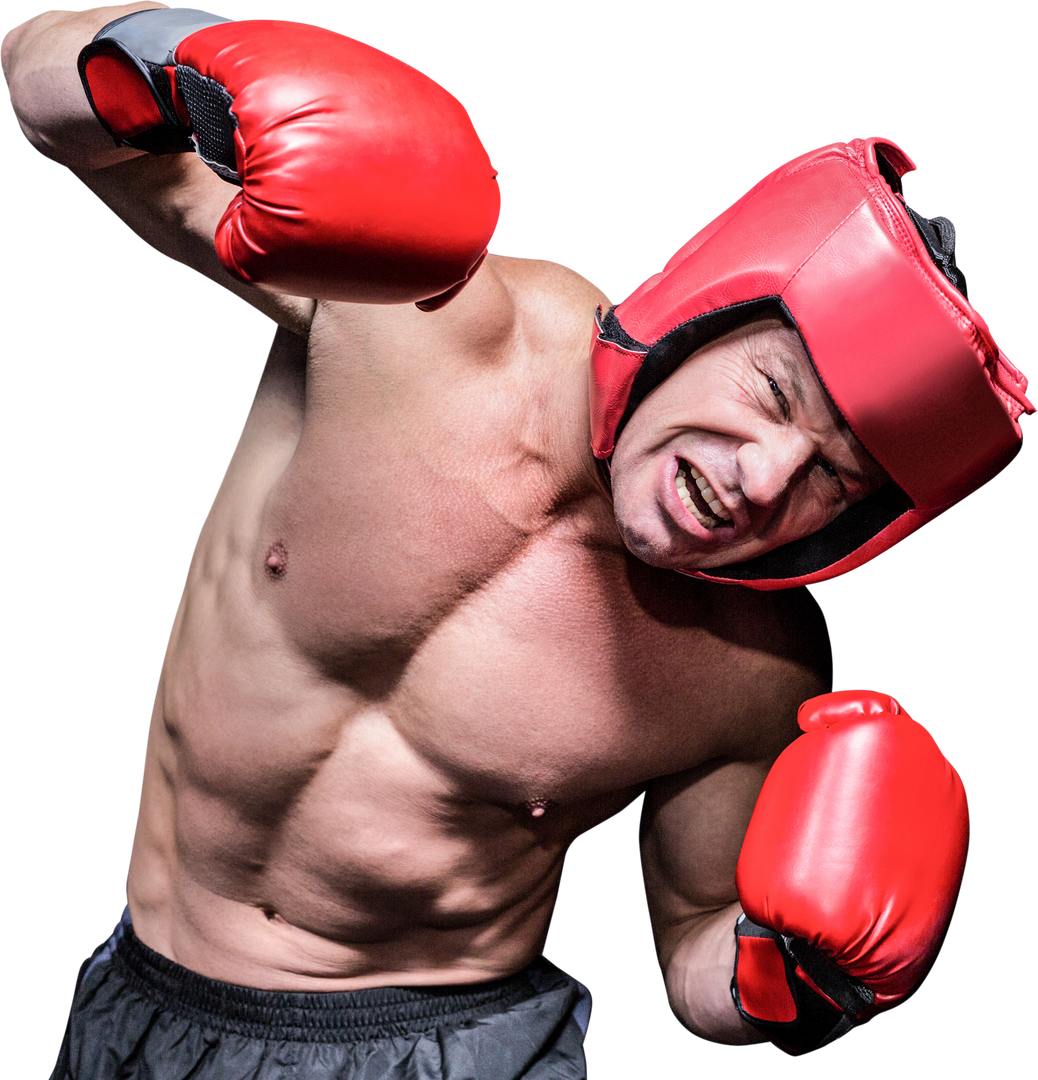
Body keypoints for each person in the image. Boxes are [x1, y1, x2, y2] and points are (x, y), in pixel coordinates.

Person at [4, 5, 1030, 1077]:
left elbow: (691, 941)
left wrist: (786, 982)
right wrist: (175, 58)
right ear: (700, 312)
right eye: (770, 393)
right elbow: (48, 100)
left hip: (446, 1054)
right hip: (137, 996)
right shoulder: (423, 314)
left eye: (833, 478)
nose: (763, 480)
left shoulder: (753, 672)